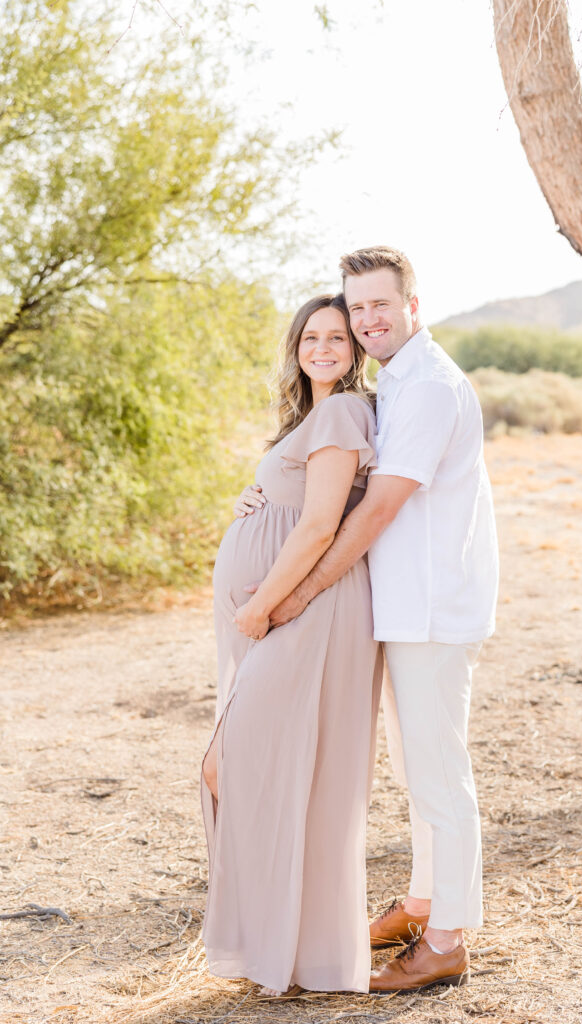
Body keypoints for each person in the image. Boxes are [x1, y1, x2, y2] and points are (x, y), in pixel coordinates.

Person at [246, 246, 499, 993]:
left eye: (379, 305)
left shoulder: (425, 390)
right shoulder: (398, 382)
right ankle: (422, 902)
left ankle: (447, 940)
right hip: (402, 608)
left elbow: (379, 509)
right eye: (357, 309)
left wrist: (299, 594)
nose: (367, 320)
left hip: (430, 608)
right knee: (417, 769)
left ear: (412, 306)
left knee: (438, 776)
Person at [200, 294, 383, 997]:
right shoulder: (315, 416)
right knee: (283, 770)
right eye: (311, 336)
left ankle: (285, 946)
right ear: (296, 346)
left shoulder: (341, 411)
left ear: (356, 348)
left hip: (304, 611)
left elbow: (314, 531)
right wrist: (255, 495)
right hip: (284, 611)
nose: (324, 347)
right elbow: (294, 504)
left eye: (338, 337)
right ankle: (288, 951)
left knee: (240, 764)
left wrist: (264, 605)